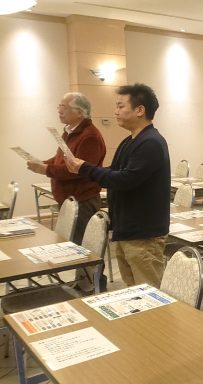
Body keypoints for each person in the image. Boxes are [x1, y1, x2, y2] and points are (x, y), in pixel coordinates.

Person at [66, 84, 171, 288]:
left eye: (121, 106)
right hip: (127, 228)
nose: (115, 111)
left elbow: (125, 179)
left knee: (150, 292)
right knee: (134, 290)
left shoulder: (151, 142)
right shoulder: (130, 141)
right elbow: (115, 172)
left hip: (144, 233)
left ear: (140, 110)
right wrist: (83, 169)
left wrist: (86, 169)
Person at [27, 92, 106, 245]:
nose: (59, 110)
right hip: (68, 199)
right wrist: (41, 163)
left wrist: (45, 169)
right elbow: (60, 159)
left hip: (82, 201)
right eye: (59, 106)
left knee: (80, 248)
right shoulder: (69, 131)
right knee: (67, 245)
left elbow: (77, 171)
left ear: (80, 112)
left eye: (63, 107)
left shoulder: (90, 136)